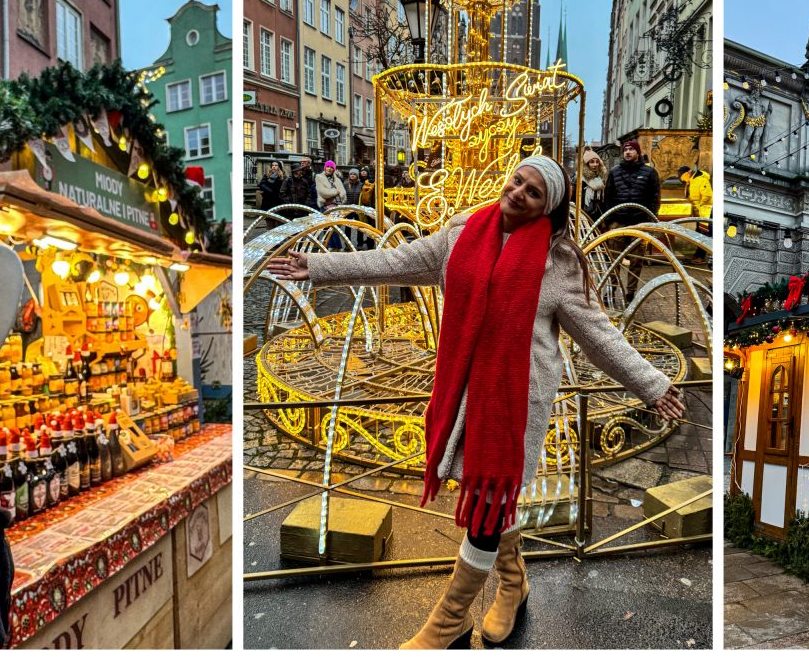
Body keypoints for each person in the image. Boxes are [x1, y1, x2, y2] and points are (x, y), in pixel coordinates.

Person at [269, 155, 685, 649]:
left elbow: (599, 336)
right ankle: (514, 582)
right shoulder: (461, 233)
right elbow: (393, 262)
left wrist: (652, 384)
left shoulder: (558, 263)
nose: (518, 193)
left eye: (533, 192)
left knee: (489, 502)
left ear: (547, 208)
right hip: (464, 389)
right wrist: (318, 266)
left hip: (515, 402)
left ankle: (450, 620)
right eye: (518, 181)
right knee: (488, 495)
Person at [602, 140, 661, 298]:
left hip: (639, 221)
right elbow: (608, 197)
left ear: (638, 152)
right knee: (614, 259)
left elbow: (655, 198)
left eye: (631, 149)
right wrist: (609, 221)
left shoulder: (649, 173)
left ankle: (631, 292)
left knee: (636, 260)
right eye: (625, 149)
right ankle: (611, 290)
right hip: (618, 221)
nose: (628, 152)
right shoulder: (614, 172)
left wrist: (650, 219)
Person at [676, 165, 713, 266]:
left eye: (683, 178)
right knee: (699, 233)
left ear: (688, 173)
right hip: (698, 212)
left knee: (704, 234)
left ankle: (701, 256)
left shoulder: (701, 179)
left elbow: (707, 195)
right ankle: (697, 254)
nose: (683, 180)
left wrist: (700, 206)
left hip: (705, 212)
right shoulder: (690, 181)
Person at [579, 149, 606, 222]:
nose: (595, 164)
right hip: (583, 215)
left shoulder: (600, 178)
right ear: (587, 164)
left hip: (597, 215)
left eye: (597, 162)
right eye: (592, 162)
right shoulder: (580, 178)